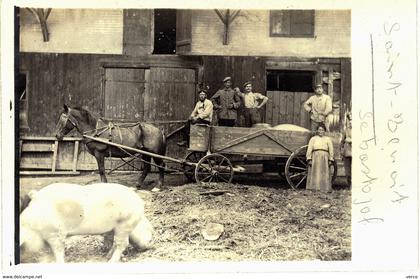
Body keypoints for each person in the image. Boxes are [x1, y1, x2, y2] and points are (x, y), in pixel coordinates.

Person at [306, 123, 334, 192]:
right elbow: (309, 149)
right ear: (317, 131)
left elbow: (331, 149)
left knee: (324, 172)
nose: (321, 131)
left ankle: (324, 188)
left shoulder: (328, 139)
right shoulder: (313, 139)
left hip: (325, 157)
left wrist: (331, 158)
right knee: (315, 171)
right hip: (315, 156)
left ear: (324, 131)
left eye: (322, 130)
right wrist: (309, 158)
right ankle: (314, 187)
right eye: (319, 130)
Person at [341, 112, 352, 188]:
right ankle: (349, 184)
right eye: (349, 120)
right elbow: (342, 141)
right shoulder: (346, 130)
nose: (351, 122)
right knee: (347, 172)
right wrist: (341, 150)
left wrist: (351, 140)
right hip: (347, 152)